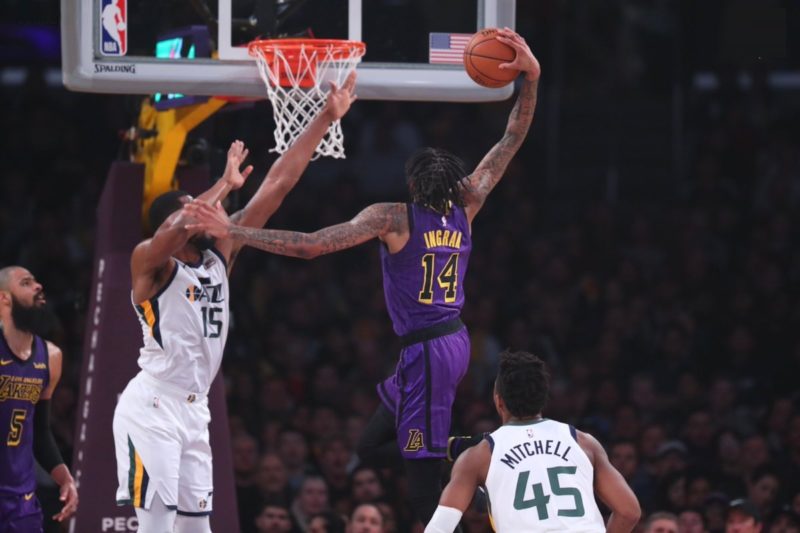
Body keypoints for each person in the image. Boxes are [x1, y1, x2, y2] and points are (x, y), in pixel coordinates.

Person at [185, 27, 541, 527]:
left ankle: (471, 479)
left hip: (431, 352)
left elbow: (310, 246)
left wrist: (235, 232)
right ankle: (462, 452)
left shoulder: (392, 217)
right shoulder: (470, 202)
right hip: (440, 343)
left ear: (414, 184)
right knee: (370, 444)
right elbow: (511, 137)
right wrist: (533, 78)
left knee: (421, 488)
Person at [111, 74, 357, 533]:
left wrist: (325, 116)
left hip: (194, 407)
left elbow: (278, 184)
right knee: (157, 527)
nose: (208, 209)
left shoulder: (219, 254)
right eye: (193, 206)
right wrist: (221, 186)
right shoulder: (149, 262)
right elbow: (176, 228)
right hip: (153, 407)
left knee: (196, 529)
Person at [424, 350, 640, 533]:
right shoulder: (583, 442)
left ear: (499, 401)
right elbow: (629, 512)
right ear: (544, 397)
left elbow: (439, 528)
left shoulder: (479, 455)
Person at [0, 266, 79, 530]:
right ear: (4, 298)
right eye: (26, 283)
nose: (38, 286)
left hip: (21, 500)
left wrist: (63, 476)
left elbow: (39, 431)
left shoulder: (50, 357)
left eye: (36, 281)